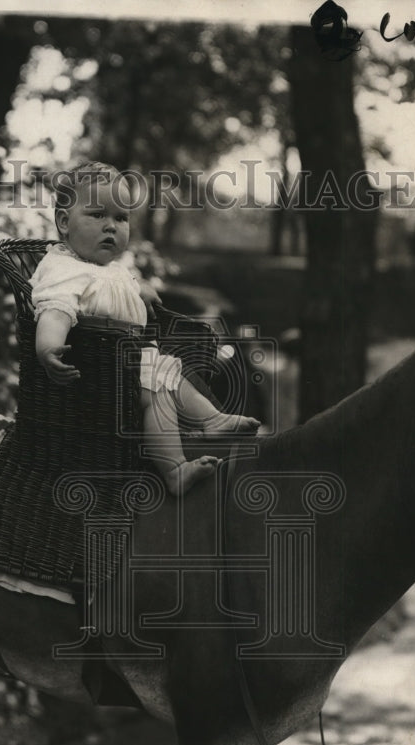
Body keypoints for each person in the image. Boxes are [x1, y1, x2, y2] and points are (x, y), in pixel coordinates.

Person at [30, 161, 259, 495]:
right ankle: (175, 469)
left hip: (130, 360)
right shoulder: (64, 269)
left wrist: (141, 289)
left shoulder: (108, 266)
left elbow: (122, 283)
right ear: (64, 222)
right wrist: (48, 348)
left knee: (169, 374)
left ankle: (210, 419)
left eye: (121, 218)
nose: (111, 227)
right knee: (156, 393)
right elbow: (55, 310)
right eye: (97, 215)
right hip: (96, 371)